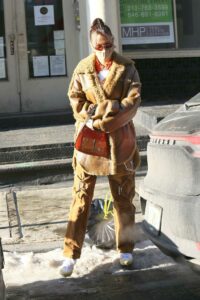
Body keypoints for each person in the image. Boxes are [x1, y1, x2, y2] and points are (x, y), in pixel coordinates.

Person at [60, 18, 141, 277]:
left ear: (113, 43)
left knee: (124, 199)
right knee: (80, 199)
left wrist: (110, 111)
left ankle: (126, 249)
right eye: (99, 45)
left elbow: (133, 100)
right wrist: (90, 115)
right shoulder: (82, 69)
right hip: (89, 143)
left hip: (120, 142)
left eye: (108, 45)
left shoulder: (126, 68)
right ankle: (70, 254)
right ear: (91, 45)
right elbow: (75, 100)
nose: (104, 50)